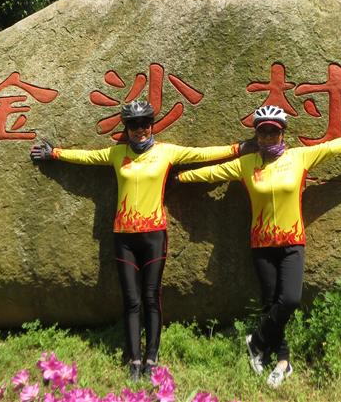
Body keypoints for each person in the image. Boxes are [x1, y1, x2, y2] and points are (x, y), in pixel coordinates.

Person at [175, 105, 341, 388]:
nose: (267, 136)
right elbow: (212, 174)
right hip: (261, 244)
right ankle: (282, 362)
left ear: (282, 133)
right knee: (270, 305)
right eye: (262, 131)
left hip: (292, 242)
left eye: (273, 131)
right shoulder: (247, 164)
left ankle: (256, 341)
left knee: (289, 299)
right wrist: (177, 177)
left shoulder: (299, 158)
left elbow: (334, 148)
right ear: (256, 134)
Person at [30, 100, 247, 381]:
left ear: (152, 125)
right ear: (126, 128)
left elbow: (199, 154)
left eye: (145, 123)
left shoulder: (166, 152)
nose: (140, 129)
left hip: (154, 235)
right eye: (133, 124)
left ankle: (152, 357)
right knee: (131, 301)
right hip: (123, 237)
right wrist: (54, 153)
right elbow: (86, 157)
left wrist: (238, 149)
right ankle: (134, 359)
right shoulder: (117, 154)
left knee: (151, 297)